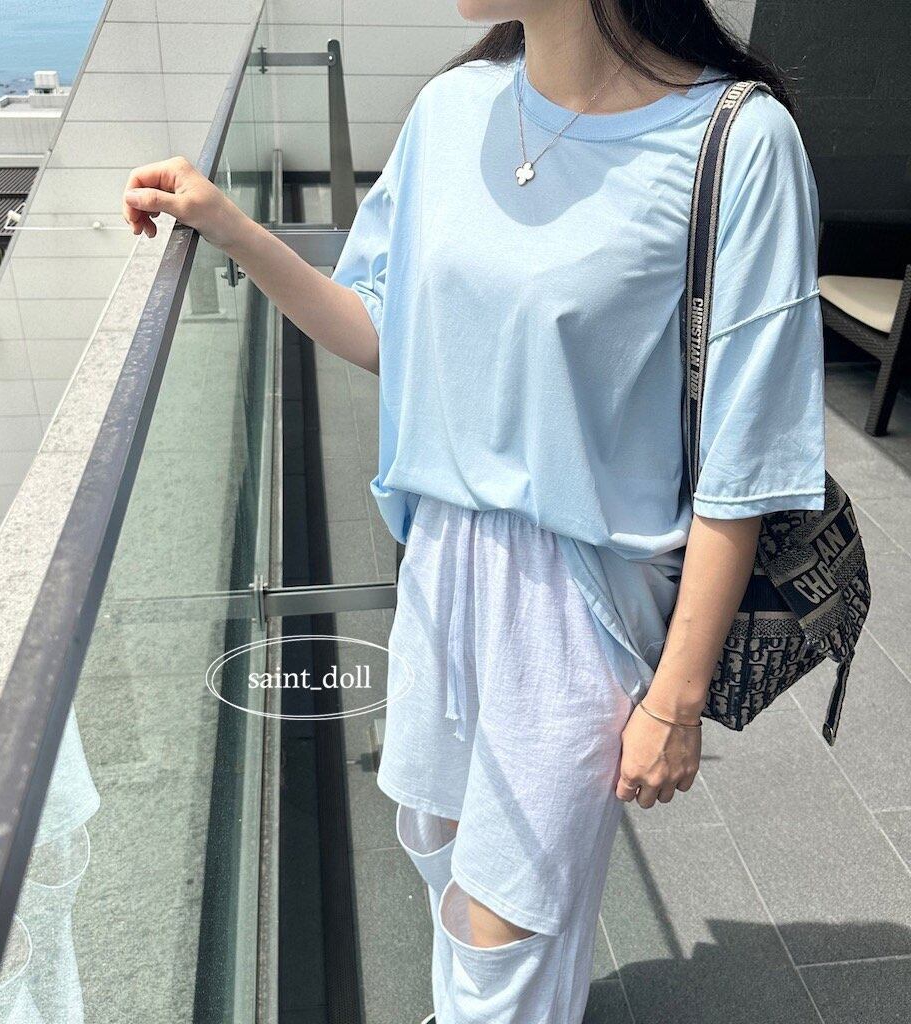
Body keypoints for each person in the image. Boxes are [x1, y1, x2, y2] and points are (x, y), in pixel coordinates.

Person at [121, 1, 826, 1020]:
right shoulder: (453, 108)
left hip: (582, 594)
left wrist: (675, 700)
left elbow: (744, 458)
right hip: (440, 557)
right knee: (444, 865)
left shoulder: (737, 140)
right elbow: (383, 328)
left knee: (505, 933)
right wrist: (227, 225)